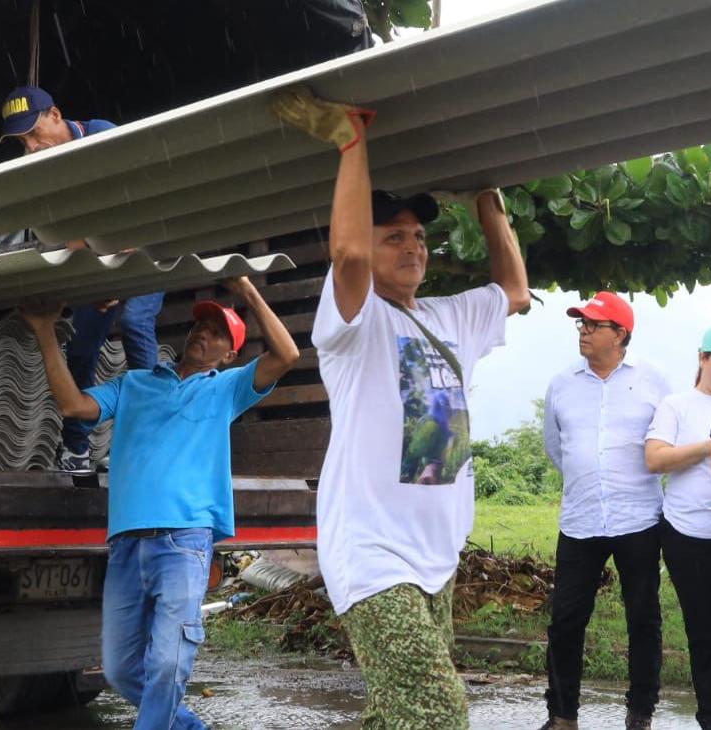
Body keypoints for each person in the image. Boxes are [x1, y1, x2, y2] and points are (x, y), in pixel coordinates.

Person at [273, 88, 530, 729]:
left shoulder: (448, 317)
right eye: (395, 237)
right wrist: (351, 141)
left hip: (437, 553)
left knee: (397, 715)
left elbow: (516, 291)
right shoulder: (354, 321)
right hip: (372, 551)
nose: (412, 247)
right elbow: (350, 254)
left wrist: (486, 200)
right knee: (436, 712)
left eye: (418, 237)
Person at [20, 276, 299, 730]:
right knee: (121, 670)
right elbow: (72, 406)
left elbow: (287, 356)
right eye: (200, 326)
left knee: (168, 664)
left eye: (216, 331)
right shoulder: (134, 384)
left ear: (229, 354)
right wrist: (44, 330)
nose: (202, 333)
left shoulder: (227, 387)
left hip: (184, 541)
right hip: (127, 544)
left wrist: (245, 290)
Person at [0, 84, 165, 474]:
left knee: (136, 323)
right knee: (81, 349)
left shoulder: (104, 137)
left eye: (35, 133)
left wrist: (114, 268)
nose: (32, 147)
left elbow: (144, 205)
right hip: (97, 257)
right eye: (22, 141)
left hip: (146, 248)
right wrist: (96, 279)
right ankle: (76, 450)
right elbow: (66, 233)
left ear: (55, 115)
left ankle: (151, 438)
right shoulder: (42, 167)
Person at [543, 291, 671, 730]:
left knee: (642, 617)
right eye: (580, 323)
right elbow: (555, 446)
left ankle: (640, 714)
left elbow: (667, 442)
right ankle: (562, 715)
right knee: (565, 620)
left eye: (593, 325)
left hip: (637, 518)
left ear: (620, 334)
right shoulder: (561, 384)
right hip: (580, 519)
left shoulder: (654, 381)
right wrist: (589, 475)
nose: (583, 330)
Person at [643, 323, 711, 730]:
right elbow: (655, 459)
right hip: (688, 536)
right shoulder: (677, 405)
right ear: (703, 359)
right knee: (704, 635)